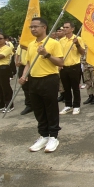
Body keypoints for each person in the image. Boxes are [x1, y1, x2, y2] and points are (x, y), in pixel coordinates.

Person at [18, 17, 64, 152]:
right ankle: (43, 135)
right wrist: (24, 76)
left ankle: (53, 137)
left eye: (35, 26)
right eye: (31, 27)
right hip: (34, 80)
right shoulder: (31, 45)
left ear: (44, 27)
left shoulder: (53, 43)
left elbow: (60, 63)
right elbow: (28, 63)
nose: (33, 29)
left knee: (51, 108)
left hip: (49, 79)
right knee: (38, 109)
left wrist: (46, 54)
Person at [59, 22, 85, 115]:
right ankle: (68, 105)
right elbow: (59, 54)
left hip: (74, 66)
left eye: (67, 27)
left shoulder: (78, 39)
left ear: (72, 29)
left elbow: (82, 52)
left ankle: (76, 106)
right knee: (66, 88)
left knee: (75, 88)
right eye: (64, 27)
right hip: (64, 67)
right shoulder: (61, 40)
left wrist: (77, 44)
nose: (64, 29)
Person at [15, 44, 32, 115]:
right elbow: (18, 54)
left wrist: (25, 48)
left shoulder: (32, 44)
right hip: (23, 66)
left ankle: (36, 104)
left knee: (34, 86)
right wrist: (16, 62)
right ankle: (29, 105)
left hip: (32, 66)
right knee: (25, 86)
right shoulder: (21, 44)